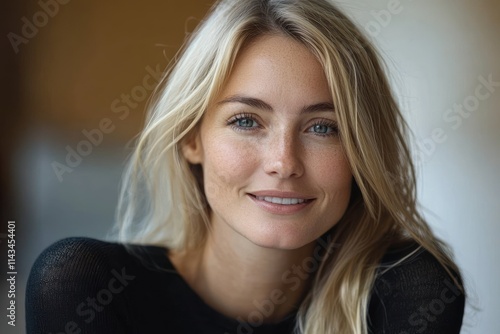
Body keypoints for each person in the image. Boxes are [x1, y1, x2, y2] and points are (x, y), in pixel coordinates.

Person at [26, 0, 466, 333]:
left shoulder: (409, 288)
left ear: (362, 151)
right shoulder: (80, 284)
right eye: (246, 121)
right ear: (191, 139)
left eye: (323, 128)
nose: (283, 163)